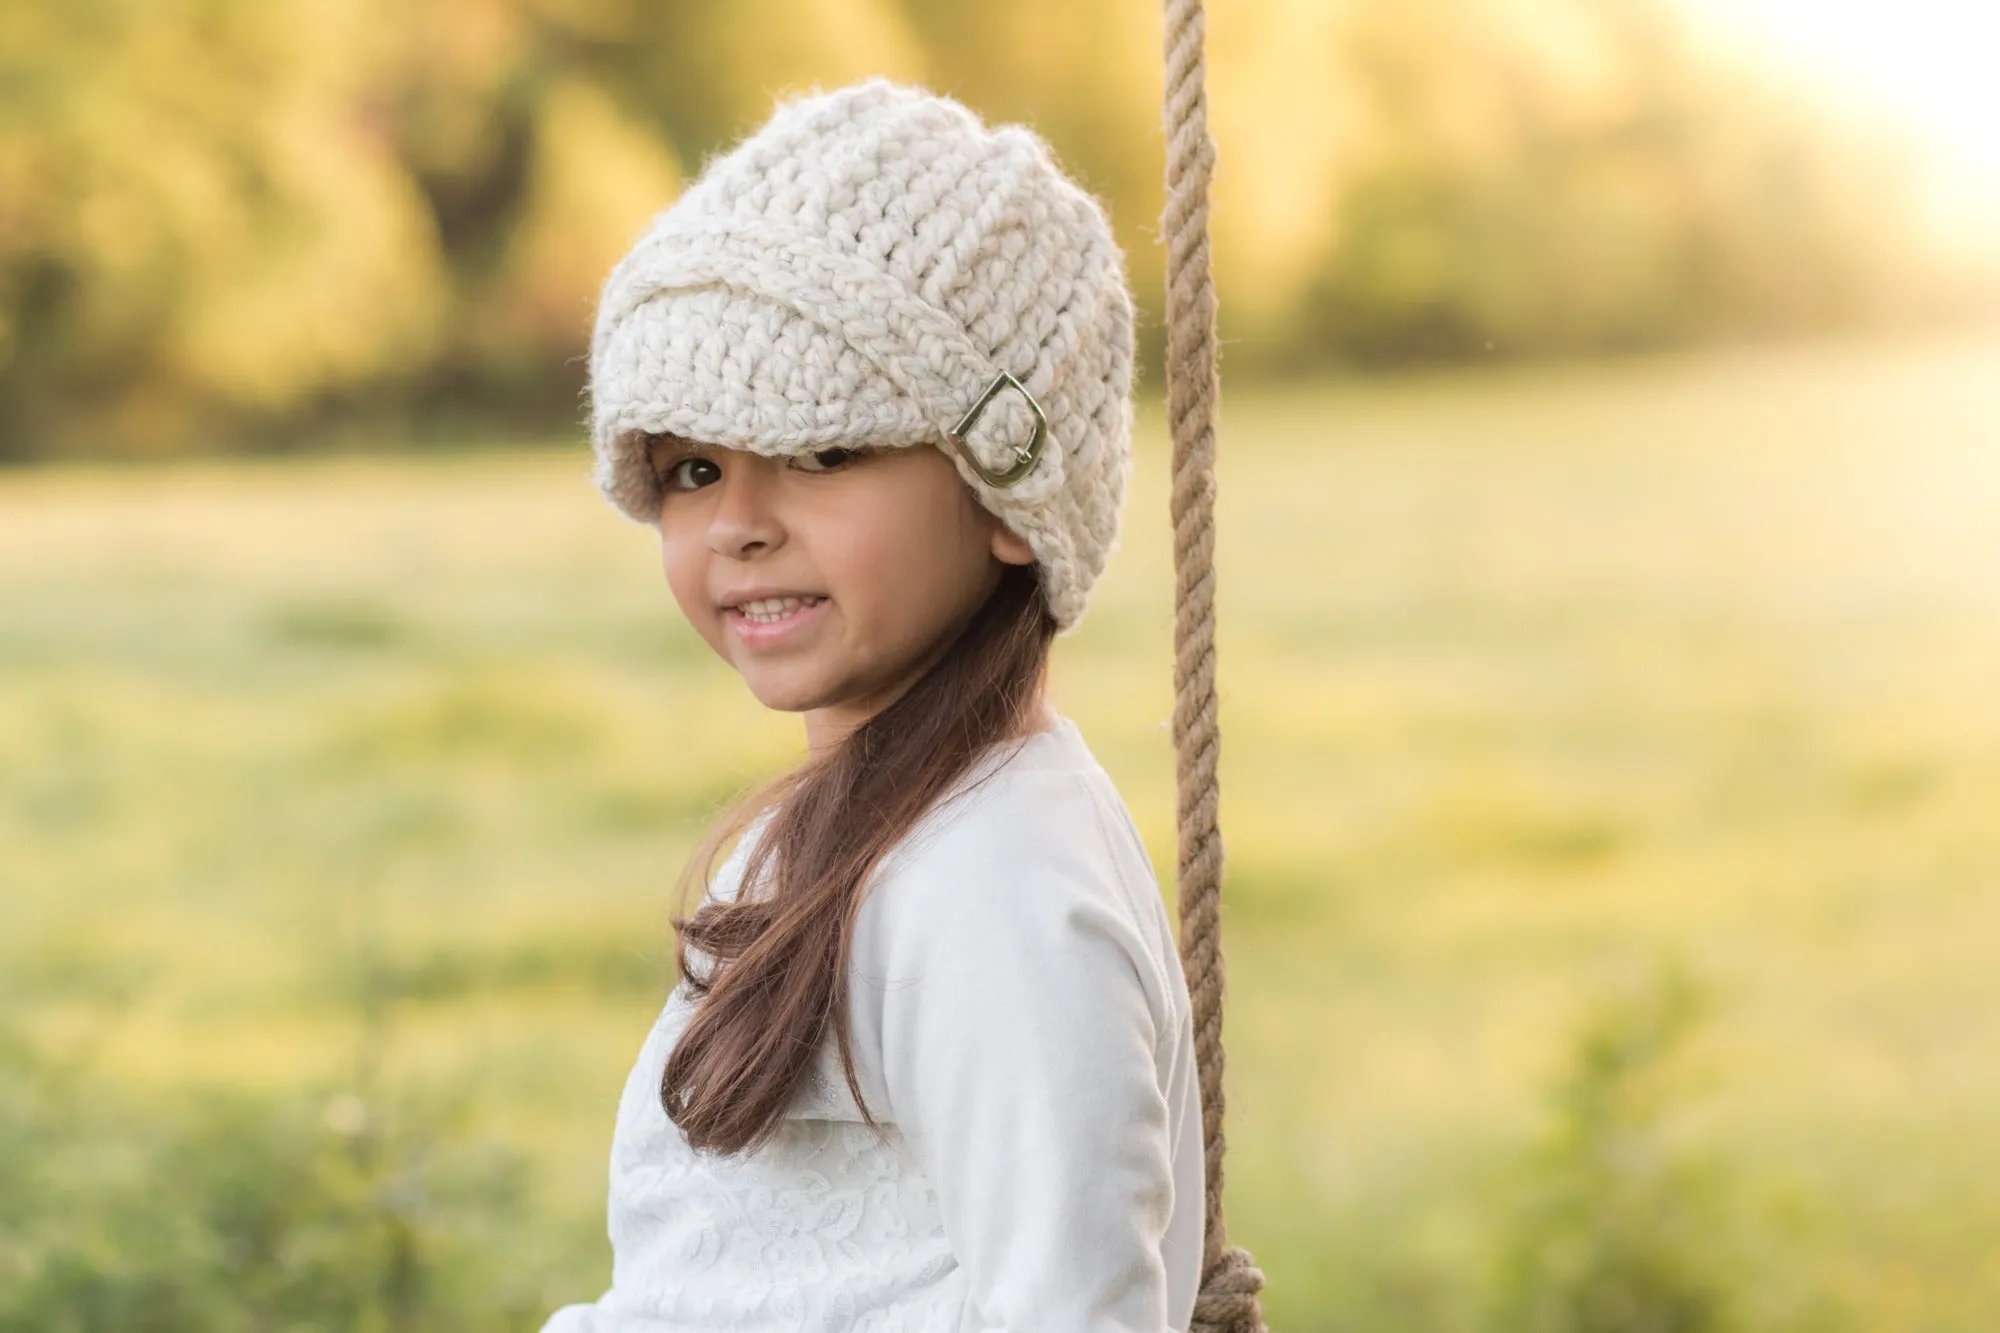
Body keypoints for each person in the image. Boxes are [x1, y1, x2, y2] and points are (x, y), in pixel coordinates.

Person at [540, 77, 1204, 1333]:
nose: (737, 524)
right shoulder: (850, 829)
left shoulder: (999, 888)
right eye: (690, 468)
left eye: (824, 449)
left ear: (1008, 493)